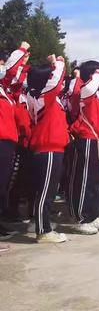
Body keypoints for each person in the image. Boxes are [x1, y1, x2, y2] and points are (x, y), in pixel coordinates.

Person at [27, 54, 70, 243]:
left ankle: (44, 227)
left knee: (47, 190)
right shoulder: (44, 97)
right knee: (45, 191)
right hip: (48, 148)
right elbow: (57, 79)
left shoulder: (42, 96)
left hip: (52, 147)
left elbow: (56, 82)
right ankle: (43, 230)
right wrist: (57, 63)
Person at [69, 61, 99, 235]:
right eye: (98, 71)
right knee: (85, 180)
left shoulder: (96, 94)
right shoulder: (84, 91)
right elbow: (92, 84)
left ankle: (94, 214)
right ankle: (81, 217)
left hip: (98, 139)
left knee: (96, 181)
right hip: (86, 139)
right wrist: (96, 74)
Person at [0, 42, 30, 246]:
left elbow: (15, 78)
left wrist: (24, 62)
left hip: (8, 142)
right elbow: (10, 71)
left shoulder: (6, 93)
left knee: (3, 185)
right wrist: (20, 50)